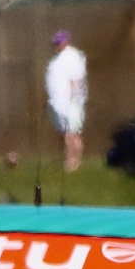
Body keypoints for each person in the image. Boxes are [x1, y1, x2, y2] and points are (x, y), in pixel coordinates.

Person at [44, 30, 88, 173]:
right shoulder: (58, 59)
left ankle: (73, 162)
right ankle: (70, 161)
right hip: (60, 102)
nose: (57, 45)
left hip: (71, 102)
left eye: (59, 42)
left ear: (66, 41)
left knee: (72, 134)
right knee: (68, 133)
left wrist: (74, 98)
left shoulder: (72, 56)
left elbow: (75, 79)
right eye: (56, 42)